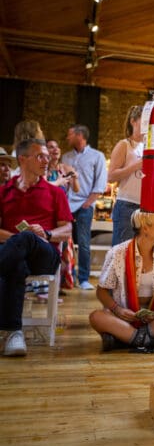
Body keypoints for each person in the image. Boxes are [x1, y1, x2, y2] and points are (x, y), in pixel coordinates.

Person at [0, 139, 73, 357]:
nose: (46, 161)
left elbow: (67, 230)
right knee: (17, 265)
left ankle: (13, 333)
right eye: (40, 156)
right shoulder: (3, 192)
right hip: (13, 256)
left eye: (47, 156)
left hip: (45, 254)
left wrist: (47, 234)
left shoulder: (55, 192)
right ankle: (14, 333)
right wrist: (19, 240)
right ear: (22, 159)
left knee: (28, 238)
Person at [88, 210, 154, 351]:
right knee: (96, 317)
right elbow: (101, 292)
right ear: (145, 228)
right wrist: (117, 310)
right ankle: (147, 339)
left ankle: (126, 338)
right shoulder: (118, 252)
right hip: (125, 317)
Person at [62, 124, 107, 289]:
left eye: (70, 134)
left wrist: (89, 202)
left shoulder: (97, 156)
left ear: (79, 135)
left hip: (84, 205)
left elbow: (101, 182)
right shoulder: (65, 157)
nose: (67, 138)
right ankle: (66, 277)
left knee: (83, 242)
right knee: (63, 241)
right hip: (66, 205)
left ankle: (83, 279)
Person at [108, 105, 145, 246]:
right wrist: (137, 165)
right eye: (144, 120)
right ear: (133, 121)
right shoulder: (124, 145)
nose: (147, 124)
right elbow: (111, 176)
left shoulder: (149, 146)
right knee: (122, 252)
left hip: (146, 207)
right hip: (127, 205)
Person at [46, 139, 78, 289]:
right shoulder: (43, 169)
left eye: (57, 147)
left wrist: (75, 177)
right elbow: (42, 187)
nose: (55, 149)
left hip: (62, 213)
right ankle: (46, 285)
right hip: (47, 213)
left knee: (64, 250)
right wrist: (57, 183)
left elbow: (76, 189)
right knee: (50, 249)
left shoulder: (65, 168)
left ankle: (58, 285)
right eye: (51, 147)